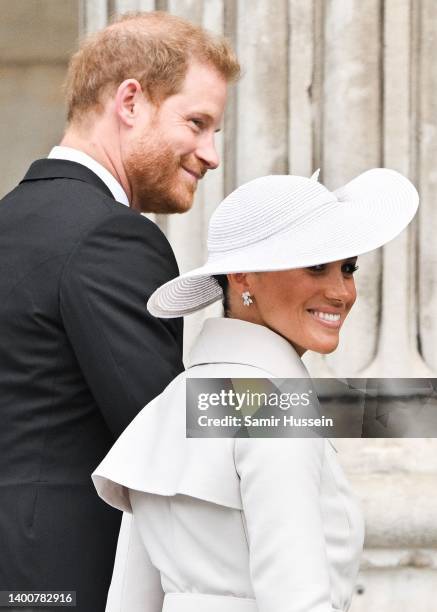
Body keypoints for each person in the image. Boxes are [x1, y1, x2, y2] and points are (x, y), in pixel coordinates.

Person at [93, 169, 419, 611]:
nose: (341, 291)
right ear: (243, 276)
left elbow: (130, 599)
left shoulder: (177, 399)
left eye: (348, 268)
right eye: (316, 265)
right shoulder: (272, 405)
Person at [0, 11, 239, 612]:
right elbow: (165, 430)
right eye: (198, 122)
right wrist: (293, 403)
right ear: (130, 101)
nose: (210, 154)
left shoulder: (10, 221)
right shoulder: (111, 236)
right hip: (65, 582)